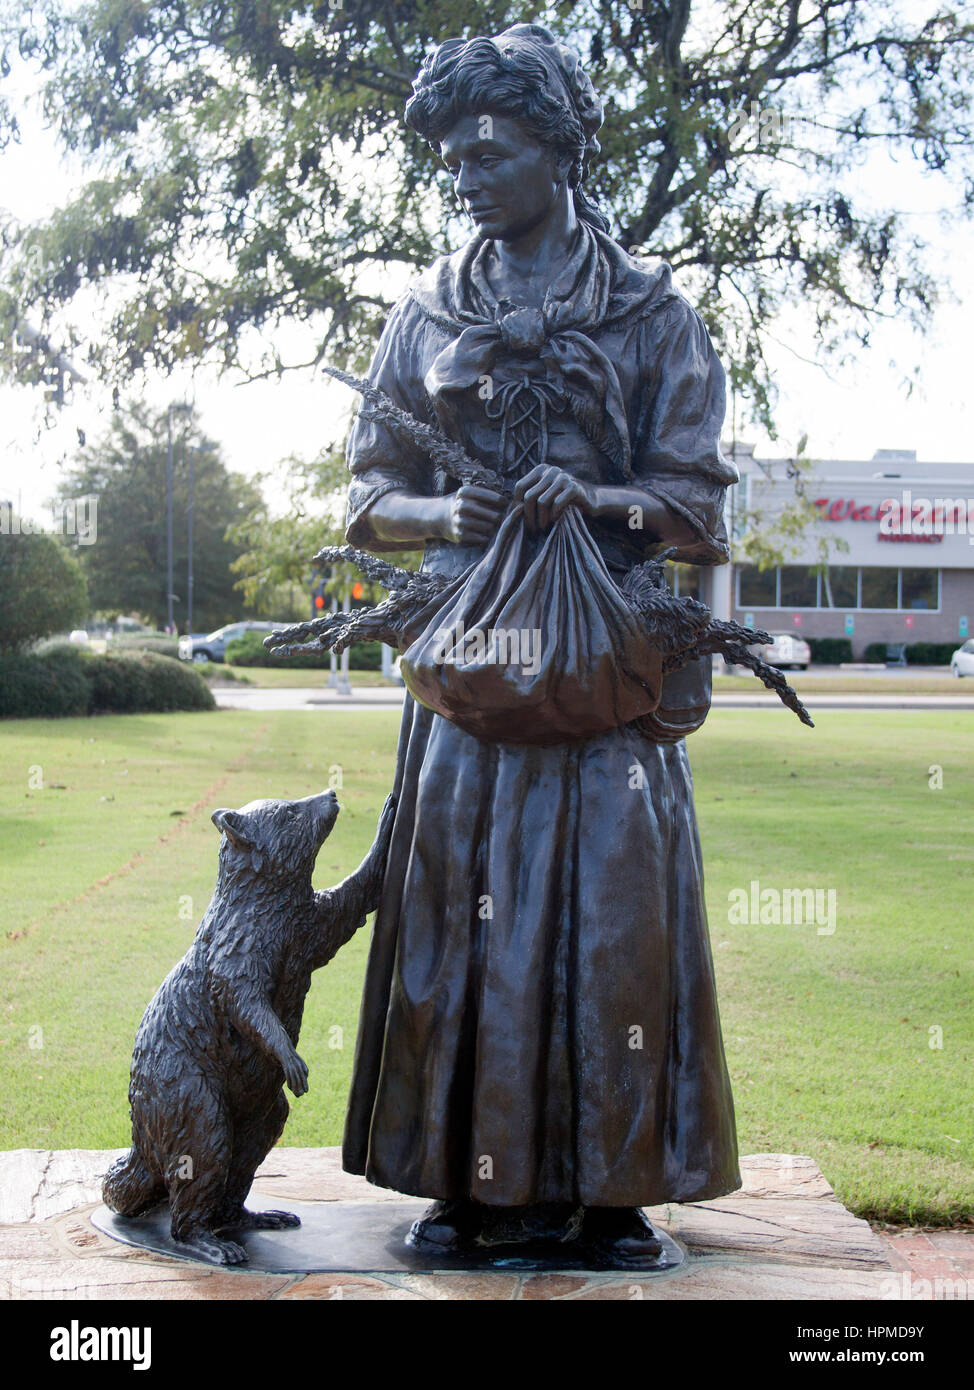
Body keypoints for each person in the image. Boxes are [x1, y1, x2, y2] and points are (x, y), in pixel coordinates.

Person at [340, 22, 741, 1265]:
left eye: (488, 147)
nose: (462, 170)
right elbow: (362, 501)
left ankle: (610, 1190)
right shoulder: (420, 318)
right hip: (470, 673)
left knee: (612, 932)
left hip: (602, 670)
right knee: (457, 927)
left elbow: (693, 505)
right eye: (448, 154)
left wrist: (605, 502)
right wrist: (438, 512)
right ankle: (463, 1188)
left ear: (558, 150)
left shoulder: (651, 315)